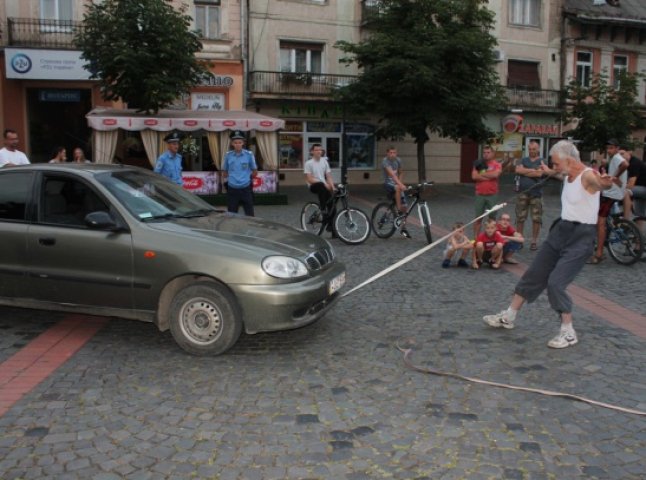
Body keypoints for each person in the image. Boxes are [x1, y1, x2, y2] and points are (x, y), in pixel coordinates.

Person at [483, 140, 614, 349]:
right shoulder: (568, 174)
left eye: (555, 163)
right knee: (534, 273)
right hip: (560, 231)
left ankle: (568, 331)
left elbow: (600, 183)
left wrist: (606, 182)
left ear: (568, 159)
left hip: (580, 238)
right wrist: (547, 171)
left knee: (556, 283)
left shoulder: (588, 175)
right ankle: (509, 315)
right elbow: (562, 175)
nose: (554, 166)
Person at [588, 138, 628, 264]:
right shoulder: (613, 158)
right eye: (607, 148)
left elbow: (626, 165)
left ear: (617, 148)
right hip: (612, 193)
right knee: (600, 219)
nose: (609, 150)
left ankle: (599, 254)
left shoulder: (617, 157)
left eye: (611, 148)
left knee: (600, 222)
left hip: (611, 194)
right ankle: (604, 236)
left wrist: (614, 175)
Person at [515, 140, 548, 251]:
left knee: (536, 218)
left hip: (536, 194)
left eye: (534, 149)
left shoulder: (542, 161)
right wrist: (532, 170)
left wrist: (525, 171)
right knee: (520, 217)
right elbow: (518, 170)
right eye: (530, 149)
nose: (532, 151)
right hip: (523, 193)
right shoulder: (523, 160)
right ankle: (519, 240)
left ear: (538, 149)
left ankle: (534, 241)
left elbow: (539, 173)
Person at [222, 130, 258, 216]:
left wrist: (245, 178)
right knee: (231, 215)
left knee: (250, 215)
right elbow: (225, 172)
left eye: (239, 142)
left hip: (246, 189)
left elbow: (255, 171)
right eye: (235, 142)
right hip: (232, 189)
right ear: (232, 144)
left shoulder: (249, 155)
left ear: (243, 143)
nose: (237, 144)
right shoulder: (228, 155)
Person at [471, 145, 502, 237]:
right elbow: (474, 176)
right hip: (480, 194)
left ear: (493, 153)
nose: (486, 154)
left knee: (492, 218)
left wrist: (482, 174)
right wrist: (489, 176)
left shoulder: (497, 164)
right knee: (478, 218)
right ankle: (476, 239)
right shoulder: (478, 164)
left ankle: (491, 237)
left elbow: (496, 175)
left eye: (488, 152)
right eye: (484, 152)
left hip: (492, 194)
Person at [382, 146, 411, 239]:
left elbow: (401, 172)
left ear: (396, 153)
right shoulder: (385, 161)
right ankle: (398, 211)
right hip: (388, 184)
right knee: (398, 188)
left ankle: (403, 228)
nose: (392, 154)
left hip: (397, 184)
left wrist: (401, 182)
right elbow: (392, 175)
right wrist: (401, 185)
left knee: (406, 207)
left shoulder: (398, 160)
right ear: (387, 153)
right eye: (390, 153)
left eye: (394, 152)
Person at [622, 147, 646, 219]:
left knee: (625, 192)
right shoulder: (627, 164)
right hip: (641, 188)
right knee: (639, 215)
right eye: (619, 155)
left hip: (644, 189)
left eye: (622, 153)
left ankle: (625, 220)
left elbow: (630, 185)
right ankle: (638, 230)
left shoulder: (634, 163)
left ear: (629, 152)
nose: (620, 156)